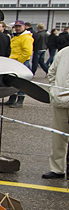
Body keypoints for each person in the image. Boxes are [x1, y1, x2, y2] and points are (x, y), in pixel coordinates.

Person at [43, 43, 69, 179]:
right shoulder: (64, 52)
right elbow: (51, 72)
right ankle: (57, 169)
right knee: (58, 137)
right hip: (59, 101)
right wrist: (53, 90)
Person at [7, 21, 33, 107]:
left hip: (21, 62)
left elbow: (27, 52)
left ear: (24, 27)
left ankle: (20, 100)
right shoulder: (17, 37)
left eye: (19, 26)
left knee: (22, 82)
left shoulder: (26, 37)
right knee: (14, 82)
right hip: (14, 61)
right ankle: (12, 99)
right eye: (16, 26)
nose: (17, 28)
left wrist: (19, 61)